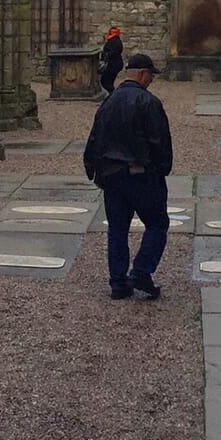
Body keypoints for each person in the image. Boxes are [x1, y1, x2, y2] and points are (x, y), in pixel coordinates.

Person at [83, 52, 173, 301]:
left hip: (112, 175)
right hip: (141, 174)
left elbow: (95, 137)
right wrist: (163, 168)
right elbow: (159, 141)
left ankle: (118, 282)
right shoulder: (148, 102)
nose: (151, 81)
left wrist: (92, 167)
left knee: (118, 229)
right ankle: (142, 271)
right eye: (150, 76)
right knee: (157, 224)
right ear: (143, 74)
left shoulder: (109, 102)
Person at [99, 25, 124, 94]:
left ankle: (114, 95)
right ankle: (113, 94)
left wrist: (106, 56)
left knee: (106, 82)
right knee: (107, 82)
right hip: (114, 64)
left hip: (114, 64)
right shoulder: (114, 40)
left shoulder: (115, 41)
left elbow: (114, 52)